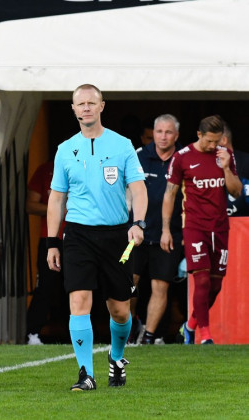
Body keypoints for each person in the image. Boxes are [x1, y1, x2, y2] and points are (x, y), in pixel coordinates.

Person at [47, 84, 147, 391]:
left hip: (117, 235)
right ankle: (85, 374)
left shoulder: (122, 145)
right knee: (79, 301)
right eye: (81, 104)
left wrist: (138, 223)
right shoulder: (65, 149)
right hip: (77, 234)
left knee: (120, 309)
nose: (86, 108)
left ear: (102, 106)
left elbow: (139, 189)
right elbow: (56, 198)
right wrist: (53, 241)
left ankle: (116, 359)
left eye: (92, 103)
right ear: (74, 109)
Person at [162, 115, 241, 345]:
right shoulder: (182, 158)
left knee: (215, 286)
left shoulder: (225, 155)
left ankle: (189, 325)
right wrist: (166, 229)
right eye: (208, 141)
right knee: (202, 281)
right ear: (199, 135)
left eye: (217, 141)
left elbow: (235, 192)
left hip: (220, 227)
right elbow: (170, 194)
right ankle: (204, 335)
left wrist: (226, 167)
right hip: (195, 227)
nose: (212, 146)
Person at [133, 114, 184, 345]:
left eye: (168, 132)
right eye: (159, 132)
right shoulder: (137, 156)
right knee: (128, 285)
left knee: (160, 285)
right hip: (136, 234)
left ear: (177, 135)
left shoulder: (184, 159)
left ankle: (149, 337)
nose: (163, 137)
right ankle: (130, 329)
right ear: (152, 133)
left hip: (168, 235)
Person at [24, 159, 67, 345]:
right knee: (46, 286)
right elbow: (30, 205)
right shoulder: (45, 170)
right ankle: (33, 333)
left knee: (79, 286)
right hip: (50, 238)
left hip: (79, 239)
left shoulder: (85, 166)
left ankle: (82, 333)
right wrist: (56, 210)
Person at [220, 124, 249, 217]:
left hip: (243, 226)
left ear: (223, 140)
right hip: (215, 226)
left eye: (211, 140)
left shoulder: (246, 162)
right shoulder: (204, 164)